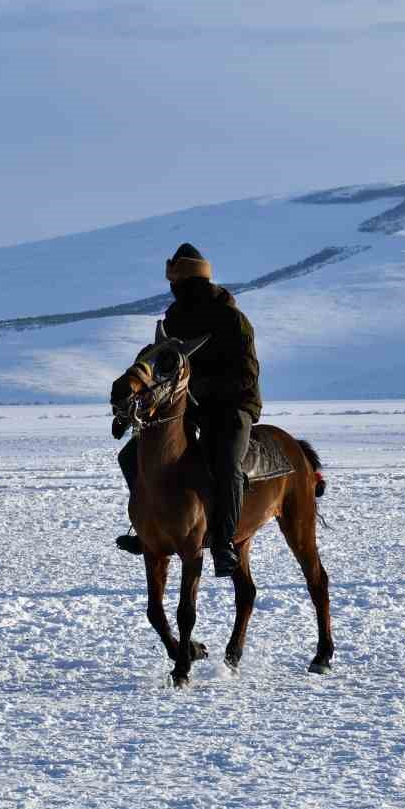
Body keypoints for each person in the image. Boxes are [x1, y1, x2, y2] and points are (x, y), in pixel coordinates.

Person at [116, 243, 262, 578]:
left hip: (232, 406)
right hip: (186, 408)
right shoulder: (174, 318)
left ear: (191, 283)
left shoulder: (232, 319)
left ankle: (225, 542)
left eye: (177, 284)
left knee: (226, 464)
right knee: (131, 457)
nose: (173, 289)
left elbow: (246, 375)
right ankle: (147, 528)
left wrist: (198, 390)